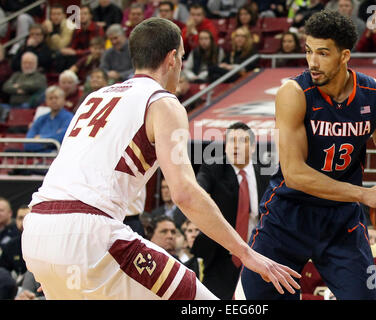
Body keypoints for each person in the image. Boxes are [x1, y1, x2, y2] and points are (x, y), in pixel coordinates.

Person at [21, 17, 301, 300]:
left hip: (37, 232)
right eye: (181, 57)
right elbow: (185, 194)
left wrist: (58, 257)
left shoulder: (94, 98)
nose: (181, 66)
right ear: (171, 59)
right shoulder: (162, 101)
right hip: (87, 234)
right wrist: (246, 252)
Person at [235, 10, 376, 300]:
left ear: (344, 56)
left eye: (323, 53)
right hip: (288, 215)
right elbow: (294, 173)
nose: (312, 62)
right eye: (308, 51)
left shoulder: (375, 94)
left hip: (341, 220)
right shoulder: (294, 93)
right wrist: (366, 194)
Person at [191, 122, 271, 299]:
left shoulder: (266, 174)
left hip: (255, 255)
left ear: (251, 147)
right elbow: (197, 188)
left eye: (241, 141)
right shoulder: (213, 168)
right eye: (231, 141)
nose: (235, 146)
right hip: (221, 255)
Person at [23, 86, 73, 153]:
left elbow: (61, 138)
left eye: (56, 98)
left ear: (63, 100)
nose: (53, 101)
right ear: (46, 101)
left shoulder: (70, 118)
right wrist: (50, 142)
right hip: (38, 159)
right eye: (50, 98)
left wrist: (40, 138)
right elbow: (27, 144)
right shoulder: (41, 119)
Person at [0, 205, 30, 283]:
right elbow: (3, 271)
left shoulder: (45, 243)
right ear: (15, 220)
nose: (23, 222)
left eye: (27, 218)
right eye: (20, 218)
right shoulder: (10, 246)